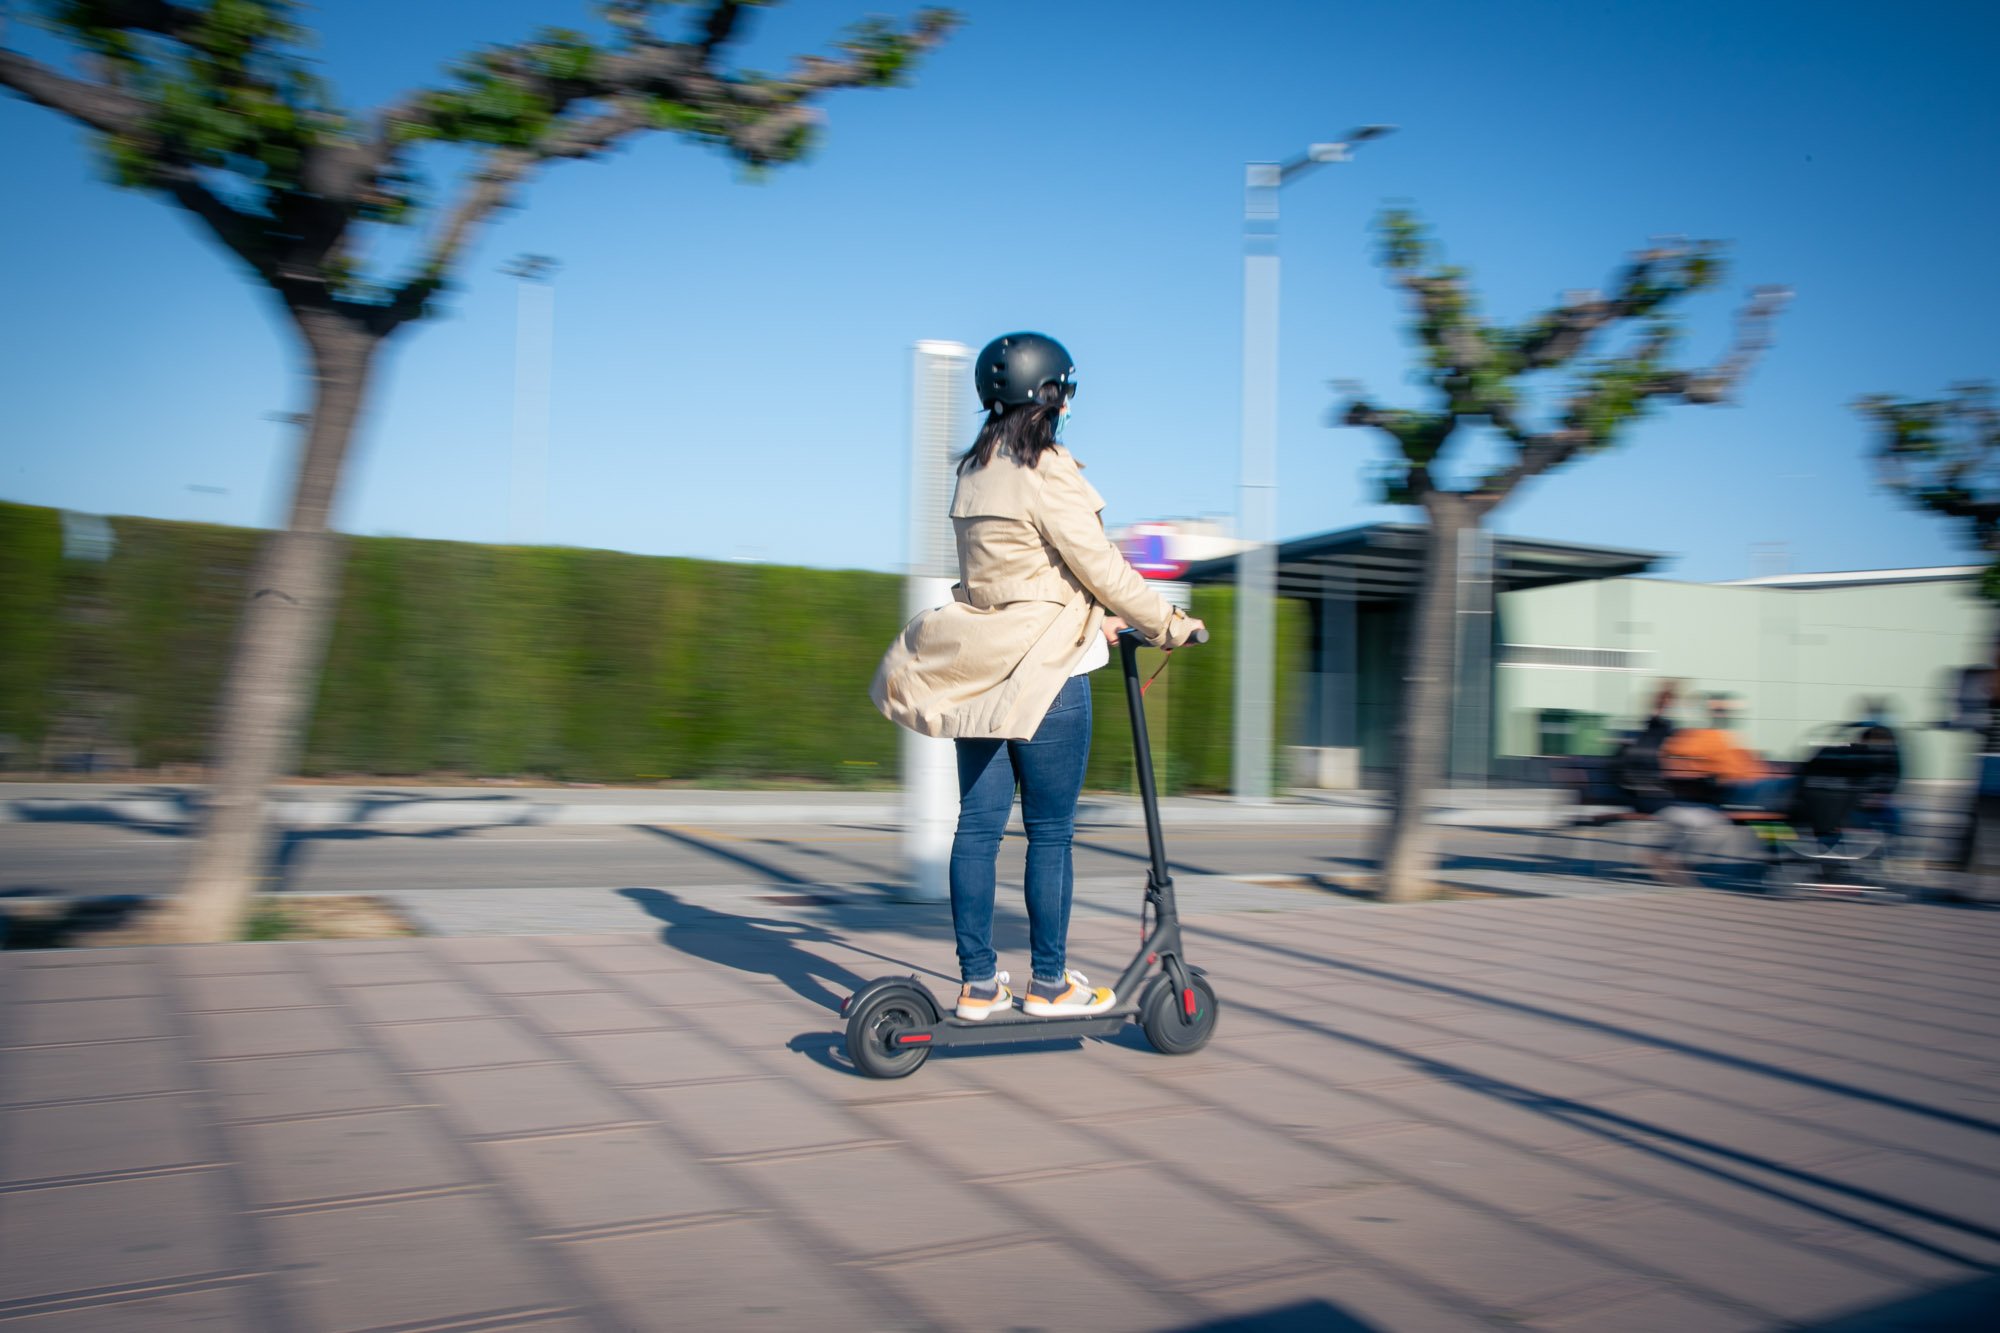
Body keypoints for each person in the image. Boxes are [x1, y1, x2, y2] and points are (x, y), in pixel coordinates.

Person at [872, 332, 1203, 1020]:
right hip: (1048, 673)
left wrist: (1094, 620)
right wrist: (1171, 623)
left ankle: (978, 984)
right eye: (1067, 391)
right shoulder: (1048, 468)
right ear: (1047, 395)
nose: (1070, 403)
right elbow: (1100, 567)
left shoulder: (974, 469)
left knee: (979, 826)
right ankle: (1050, 983)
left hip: (981, 667)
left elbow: (1015, 575)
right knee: (1049, 832)